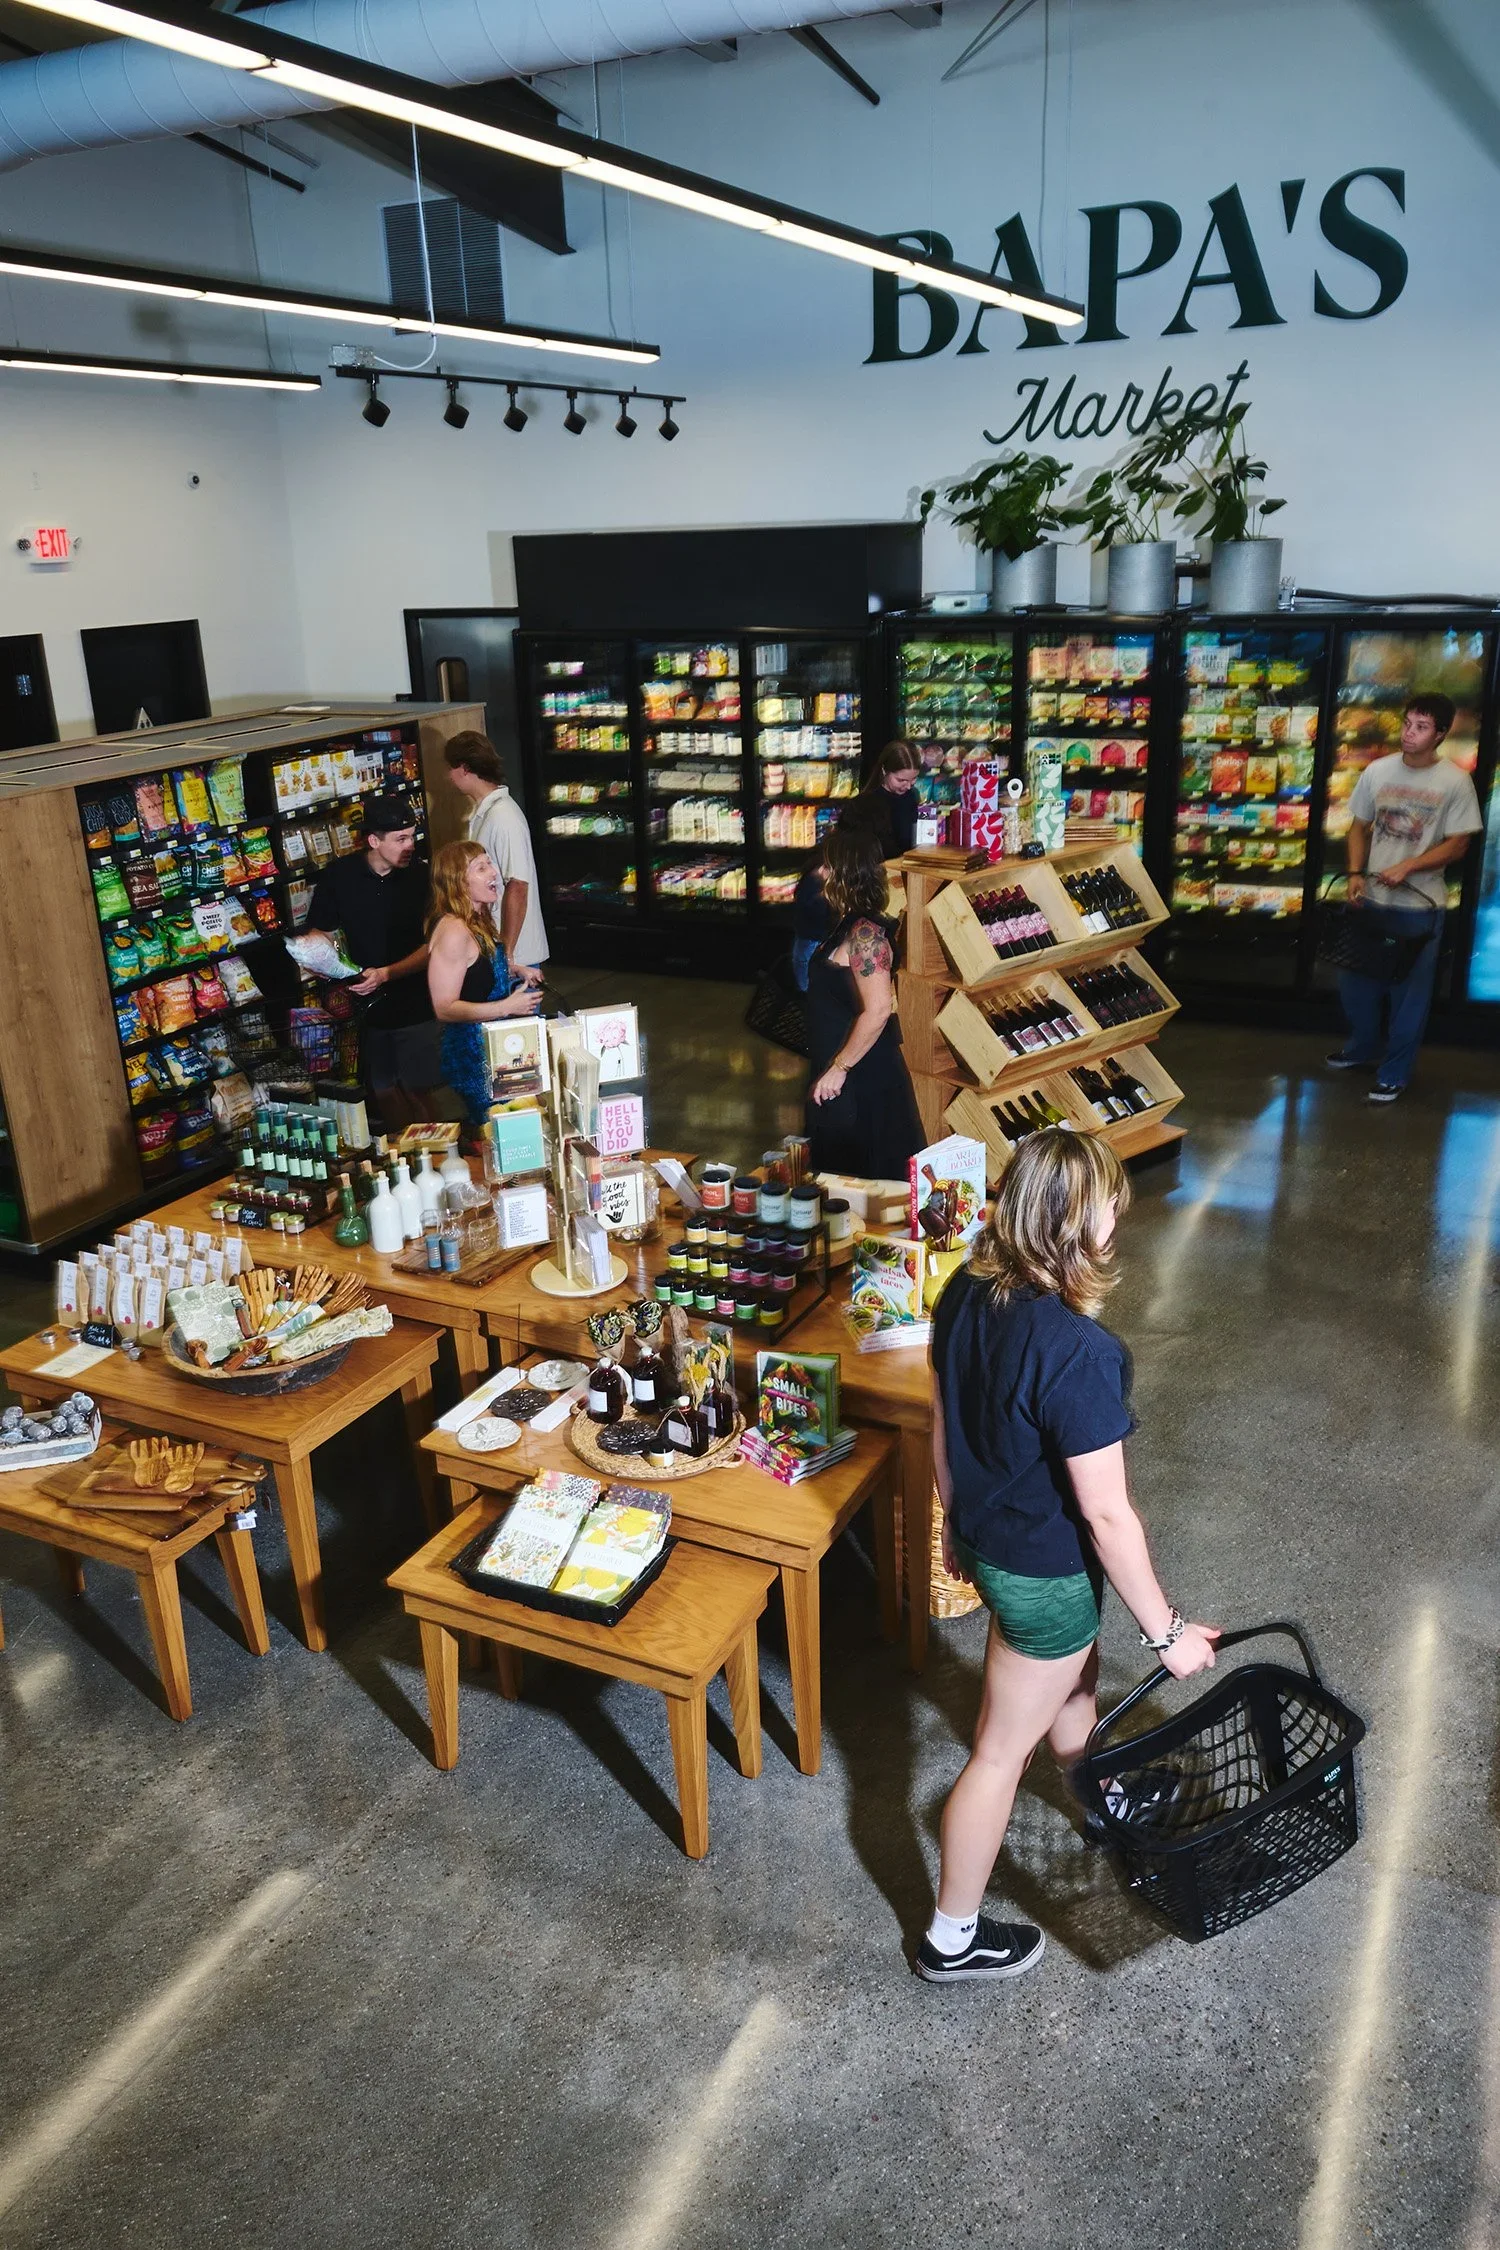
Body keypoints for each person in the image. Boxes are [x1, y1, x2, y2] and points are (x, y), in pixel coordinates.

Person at [919, 1131, 1220, 1986]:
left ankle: (1100, 1802)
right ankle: (952, 1938)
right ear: (1075, 1220)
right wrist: (1169, 1636)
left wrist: (952, 1521)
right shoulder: (1079, 1352)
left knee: (1075, 1680)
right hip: (1040, 1568)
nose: (1116, 1218)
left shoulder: (965, 1292)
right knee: (996, 1753)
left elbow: (944, 1424)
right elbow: (1107, 1514)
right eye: (1107, 1205)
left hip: (992, 1534)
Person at [1327, 692, 1482, 1103]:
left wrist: (1408, 867)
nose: (1409, 734)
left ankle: (1394, 1073)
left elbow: (1458, 845)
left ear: (1441, 734)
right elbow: (1358, 827)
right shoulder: (1377, 771)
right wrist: (1357, 874)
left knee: (1408, 997)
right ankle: (1363, 1049)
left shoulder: (1454, 781)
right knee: (1356, 985)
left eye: (1421, 727)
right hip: (1372, 901)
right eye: (1408, 724)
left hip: (1420, 908)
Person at [304, 794, 440, 1127]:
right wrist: (323, 960)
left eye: (412, 836)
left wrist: (386, 974)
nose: (410, 845)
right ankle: (406, 1152)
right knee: (382, 1088)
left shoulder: (422, 878)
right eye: (401, 839)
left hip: (416, 1001)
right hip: (368, 1004)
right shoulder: (340, 877)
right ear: (373, 840)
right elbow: (320, 931)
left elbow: (435, 946)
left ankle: (438, 1150)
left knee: (417, 1088)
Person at [805, 824, 924, 1177]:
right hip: (844, 1074)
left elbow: (878, 1009)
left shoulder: (866, 935)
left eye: (827, 866)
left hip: (863, 1081)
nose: (820, 873)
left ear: (846, 873)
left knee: (867, 1178)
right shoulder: (846, 924)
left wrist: (840, 1068)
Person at [426, 840, 542, 1127]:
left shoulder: (477, 918)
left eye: (489, 863)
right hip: (475, 1057)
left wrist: (513, 970)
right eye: (481, 867)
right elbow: (444, 1007)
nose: (493, 872)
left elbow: (475, 971)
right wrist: (506, 1006)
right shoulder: (454, 931)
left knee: (524, 1122)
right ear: (458, 883)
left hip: (499, 1049)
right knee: (505, 1129)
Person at [443, 731, 548, 985]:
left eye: (451, 768)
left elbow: (518, 886)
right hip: (495, 947)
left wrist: (507, 953)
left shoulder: (503, 817)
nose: (448, 776)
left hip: (516, 955)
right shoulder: (485, 812)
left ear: (465, 768)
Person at [843, 739, 922, 860]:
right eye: (901, 780)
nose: (908, 786)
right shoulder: (860, 807)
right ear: (884, 770)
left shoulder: (912, 797)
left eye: (913, 779)